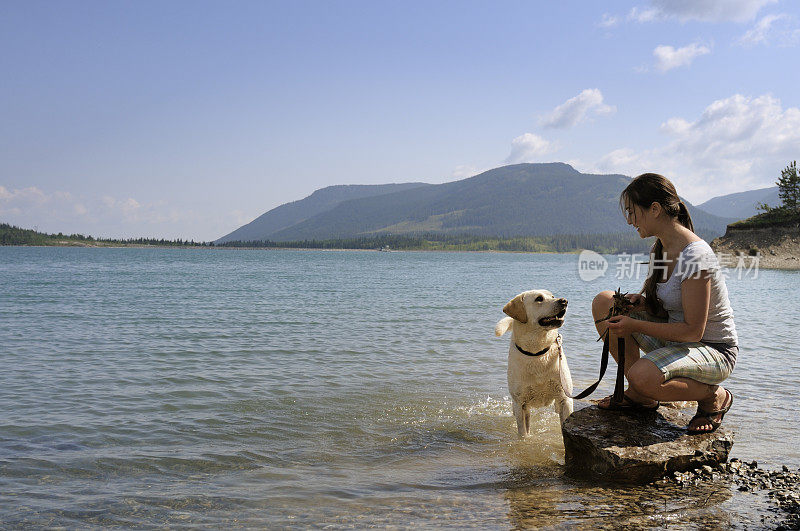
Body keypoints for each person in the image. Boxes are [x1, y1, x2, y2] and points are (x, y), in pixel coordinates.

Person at [592, 173, 738, 434]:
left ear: (655, 209)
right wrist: (642, 304)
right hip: (680, 343)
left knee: (641, 375)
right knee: (605, 302)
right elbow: (668, 307)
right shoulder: (660, 248)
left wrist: (634, 324)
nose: (629, 221)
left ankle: (712, 396)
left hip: (714, 349)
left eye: (633, 212)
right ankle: (643, 396)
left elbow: (694, 331)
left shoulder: (696, 256)